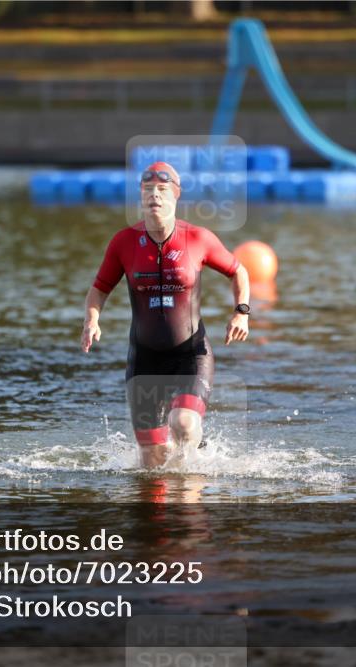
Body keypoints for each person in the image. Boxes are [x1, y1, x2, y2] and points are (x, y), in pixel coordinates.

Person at [81, 161, 251, 468]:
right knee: (152, 462)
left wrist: (241, 312)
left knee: (183, 425)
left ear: (175, 196)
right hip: (144, 358)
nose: (154, 196)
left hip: (191, 354)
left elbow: (239, 272)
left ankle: (191, 496)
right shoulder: (124, 242)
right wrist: (92, 320)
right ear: (140, 197)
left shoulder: (198, 239)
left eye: (161, 190)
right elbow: (99, 289)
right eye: (147, 190)